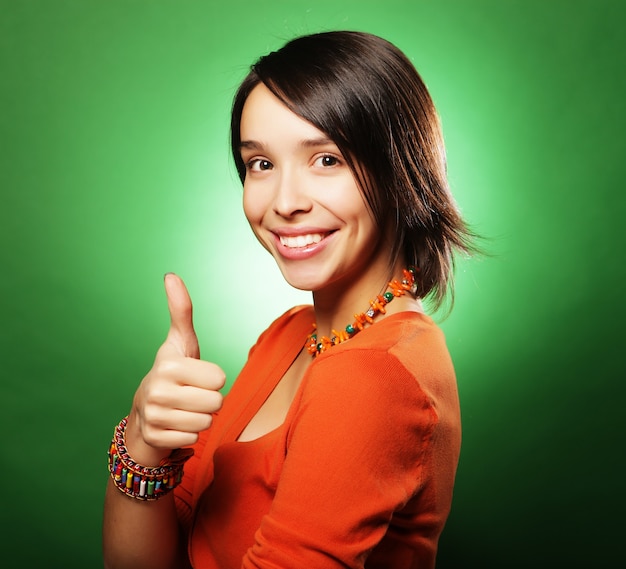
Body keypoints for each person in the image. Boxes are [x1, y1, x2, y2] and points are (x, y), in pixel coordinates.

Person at [103, 30, 475, 569]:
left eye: (326, 159)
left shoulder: (372, 375)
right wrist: (142, 443)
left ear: (399, 170)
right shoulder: (289, 334)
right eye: (260, 164)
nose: (285, 202)